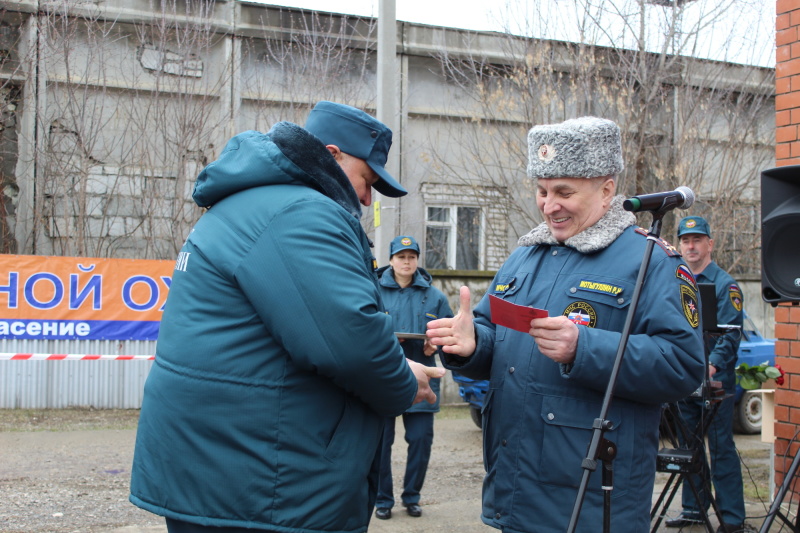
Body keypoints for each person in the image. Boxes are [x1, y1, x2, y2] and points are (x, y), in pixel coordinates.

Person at [129, 101, 446, 533]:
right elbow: (348, 343)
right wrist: (404, 383)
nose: (368, 198)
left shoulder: (252, 202)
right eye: (367, 180)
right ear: (332, 155)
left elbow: (297, 334)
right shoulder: (301, 213)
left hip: (226, 463)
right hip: (259, 479)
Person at [426, 116, 705, 533]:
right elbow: (495, 340)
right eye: (541, 191)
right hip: (515, 489)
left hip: (592, 499)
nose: (548, 205)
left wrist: (584, 347)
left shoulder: (650, 262)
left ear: (607, 189)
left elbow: (683, 366)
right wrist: (470, 345)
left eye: (564, 192)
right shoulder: (525, 257)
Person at [666, 216, 746, 533]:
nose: (691, 245)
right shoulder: (676, 284)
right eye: (685, 240)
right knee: (690, 447)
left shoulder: (726, 286)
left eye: (697, 240)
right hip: (684, 380)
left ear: (709, 244)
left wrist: (709, 365)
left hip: (715, 383)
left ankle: (732, 518)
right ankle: (694, 510)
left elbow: (730, 335)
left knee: (721, 447)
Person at [374, 235, 454, 520]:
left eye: (411, 257)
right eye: (400, 257)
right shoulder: (374, 290)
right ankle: (382, 499)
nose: (406, 262)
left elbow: (449, 334)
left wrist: (438, 343)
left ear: (417, 260)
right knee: (380, 444)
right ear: (391, 260)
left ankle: (412, 497)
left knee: (420, 441)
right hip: (384, 377)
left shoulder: (435, 296)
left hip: (422, 380)